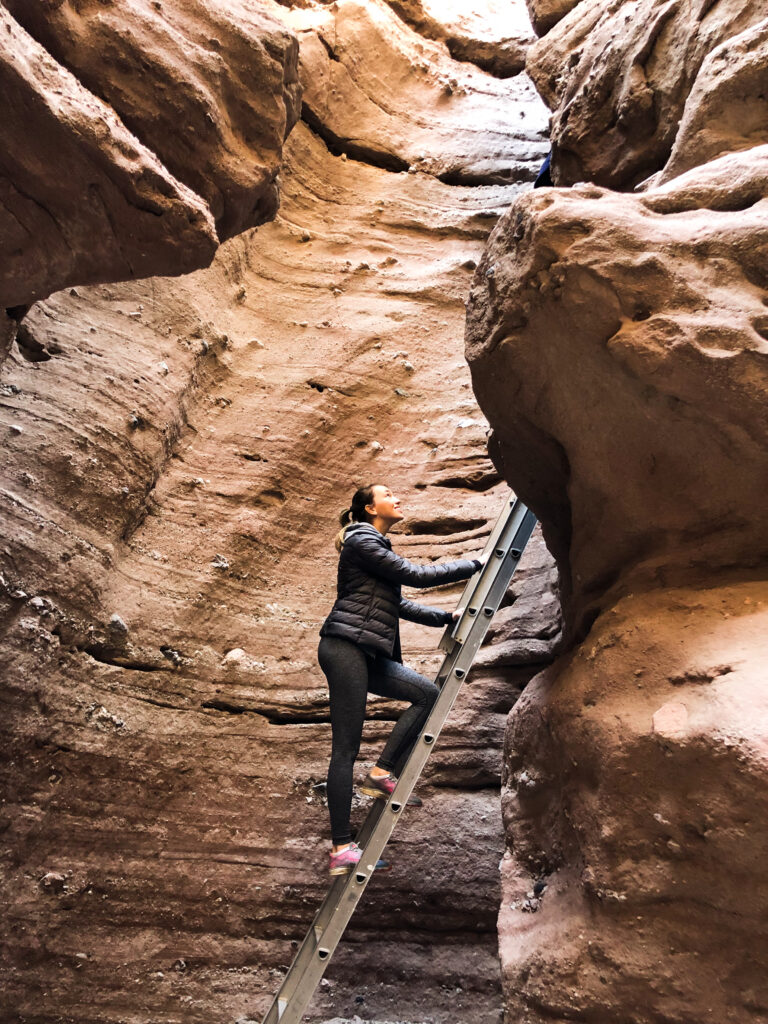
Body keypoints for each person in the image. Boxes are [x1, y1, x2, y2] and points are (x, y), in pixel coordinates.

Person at [318, 483, 487, 876]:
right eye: (388, 493)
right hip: (345, 647)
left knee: (427, 695)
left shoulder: (373, 546)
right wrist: (473, 563)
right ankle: (342, 847)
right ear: (368, 507)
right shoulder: (361, 540)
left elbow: (397, 604)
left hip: (367, 651)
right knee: (344, 750)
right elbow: (415, 576)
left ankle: (380, 774)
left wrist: (443, 618)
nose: (397, 497)